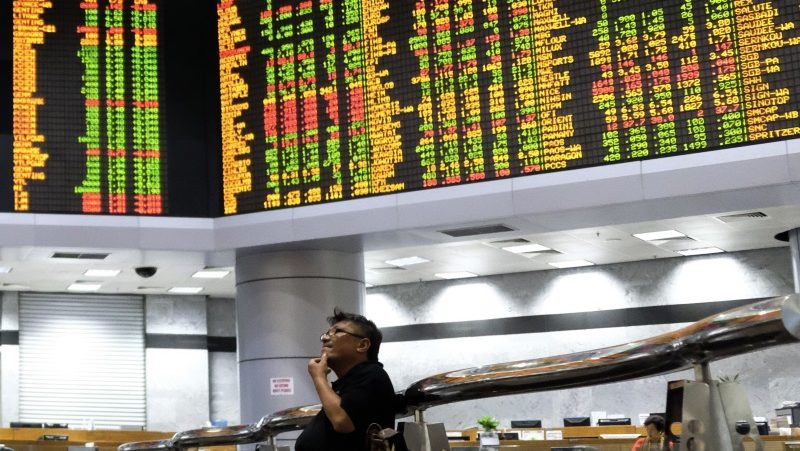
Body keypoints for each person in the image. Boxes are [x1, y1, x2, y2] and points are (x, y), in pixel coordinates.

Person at [295, 308, 397, 451]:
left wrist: (319, 377)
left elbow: (342, 421)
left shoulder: (372, 374)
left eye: (337, 332)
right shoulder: (349, 382)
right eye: (326, 333)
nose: (325, 338)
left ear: (362, 345)